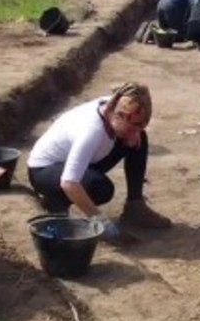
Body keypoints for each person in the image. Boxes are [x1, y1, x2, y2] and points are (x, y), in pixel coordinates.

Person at [26, 83, 172, 240]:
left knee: (139, 140)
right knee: (100, 188)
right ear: (117, 116)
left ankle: (135, 207)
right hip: (44, 171)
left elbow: (133, 129)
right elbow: (69, 183)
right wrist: (105, 226)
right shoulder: (92, 131)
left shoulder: (116, 105)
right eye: (131, 128)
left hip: (74, 161)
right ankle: (55, 203)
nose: (134, 134)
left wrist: (133, 133)